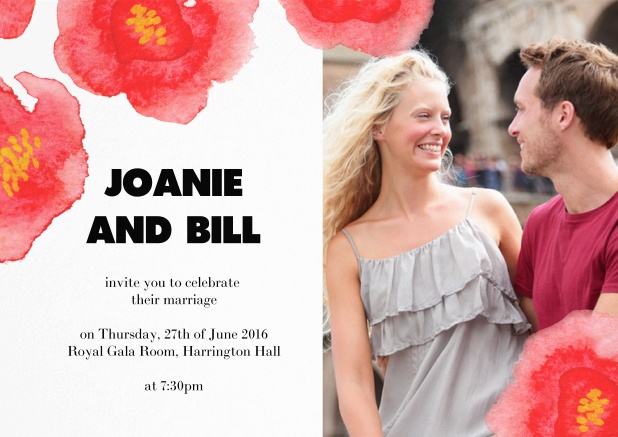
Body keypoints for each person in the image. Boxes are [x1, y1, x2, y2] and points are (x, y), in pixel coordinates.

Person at [323, 50, 531, 437]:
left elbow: (543, 325)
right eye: (423, 116)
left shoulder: (489, 209)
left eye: (445, 117)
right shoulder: (347, 249)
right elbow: (353, 383)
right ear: (378, 127)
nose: (440, 130)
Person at [509, 38, 618, 332]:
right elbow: (536, 342)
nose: (513, 128)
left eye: (521, 109)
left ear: (563, 115)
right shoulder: (539, 223)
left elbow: (595, 360)